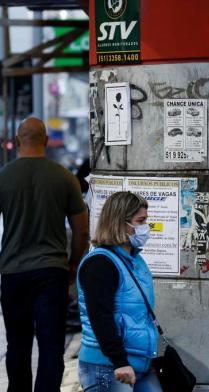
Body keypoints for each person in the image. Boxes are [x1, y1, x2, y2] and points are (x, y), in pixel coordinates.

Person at [0, 117, 89, 392]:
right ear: (47, 141)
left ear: (16, 141)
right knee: (51, 346)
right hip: (52, 273)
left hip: (13, 272)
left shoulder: (4, 177)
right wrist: (73, 264)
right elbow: (81, 230)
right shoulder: (64, 177)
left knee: (17, 344)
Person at [77, 191, 162, 392]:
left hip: (138, 362)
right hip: (109, 366)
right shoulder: (99, 263)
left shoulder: (134, 260)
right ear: (120, 223)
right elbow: (100, 317)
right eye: (140, 221)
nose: (145, 228)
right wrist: (119, 360)